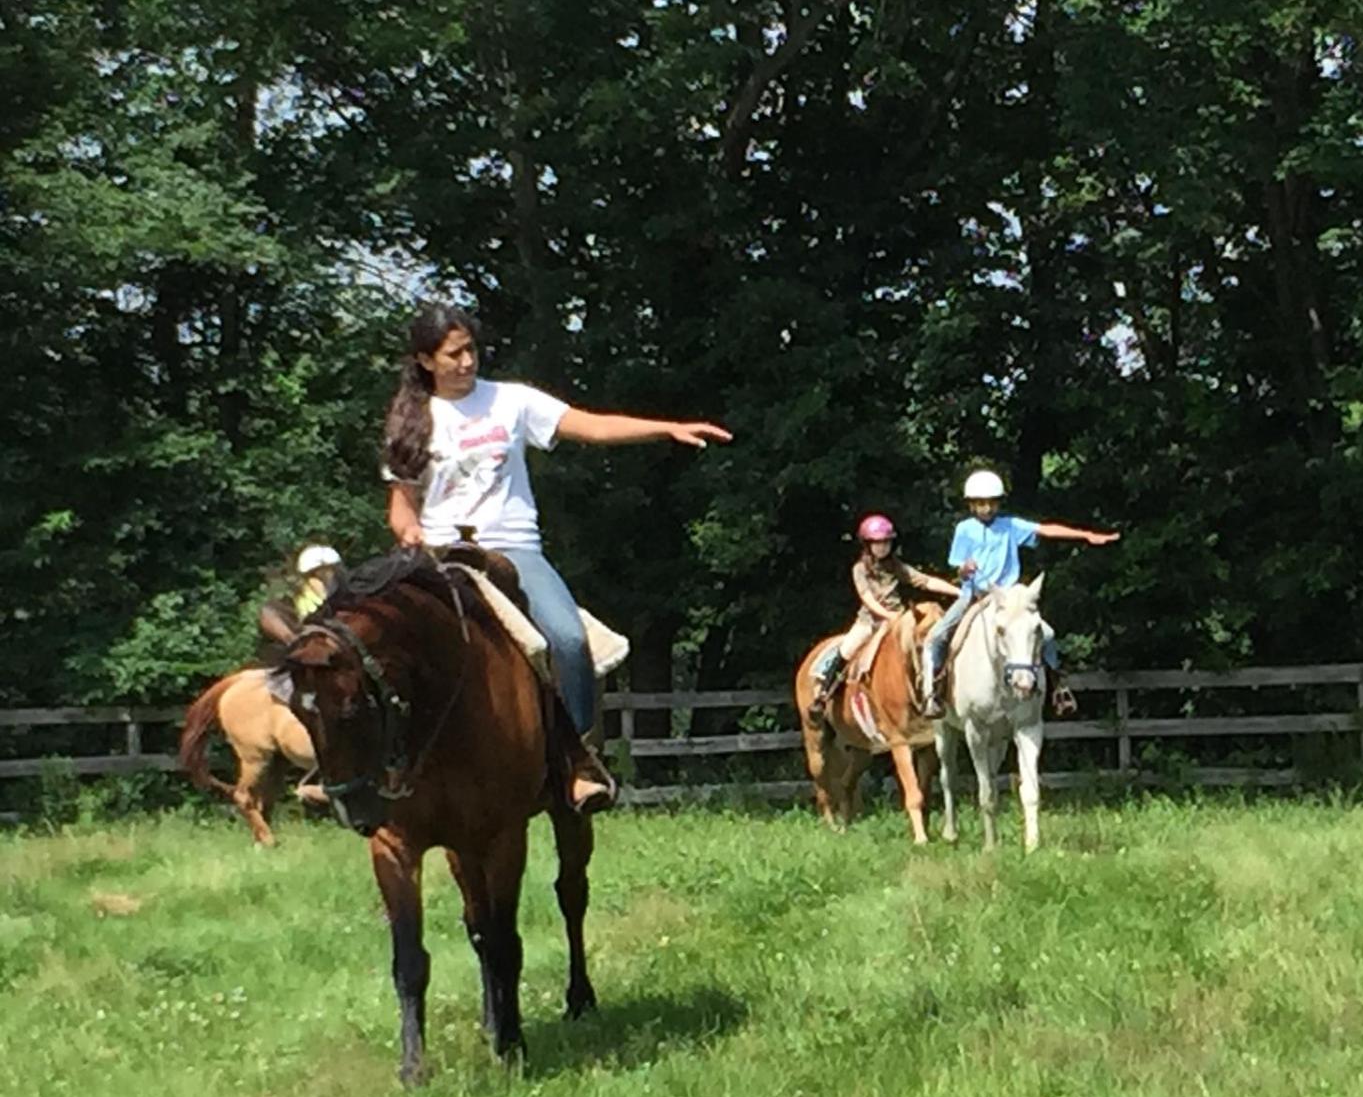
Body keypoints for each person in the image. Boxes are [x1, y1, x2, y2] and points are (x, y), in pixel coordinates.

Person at [381, 303, 732, 810]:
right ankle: (377, 766)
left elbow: (591, 426)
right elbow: (401, 508)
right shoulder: (411, 421)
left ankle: (579, 760)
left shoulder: (511, 401)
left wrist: (666, 428)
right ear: (425, 359)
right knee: (375, 645)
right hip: (439, 554)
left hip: (512, 548)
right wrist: (410, 531)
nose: (466, 362)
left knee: (568, 639)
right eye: (453, 354)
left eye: (471, 350)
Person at [921, 468, 1119, 718]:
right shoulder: (964, 529)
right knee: (937, 637)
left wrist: (1086, 535)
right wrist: (965, 569)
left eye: (991, 503)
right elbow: (958, 568)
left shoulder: (1011, 525)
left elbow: (1046, 530)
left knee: (1046, 634)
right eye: (981, 503)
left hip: (1009, 597)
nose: (987, 509)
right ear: (971, 505)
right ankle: (933, 692)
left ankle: (1059, 687)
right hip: (974, 596)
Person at [807, 514, 960, 724]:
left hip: (896, 621)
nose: (882, 547)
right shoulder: (859, 569)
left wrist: (959, 592)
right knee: (846, 649)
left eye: (886, 542)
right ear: (867, 545)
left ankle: (933, 693)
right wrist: (889, 616)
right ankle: (822, 695)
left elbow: (925, 581)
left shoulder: (896, 566)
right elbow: (867, 599)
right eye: (877, 543)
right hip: (869, 623)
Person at [257, 543, 344, 647]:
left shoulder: (347, 600)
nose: (325, 577)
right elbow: (270, 615)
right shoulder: (289, 604)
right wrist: (292, 639)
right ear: (306, 577)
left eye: (329, 571)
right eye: (317, 574)